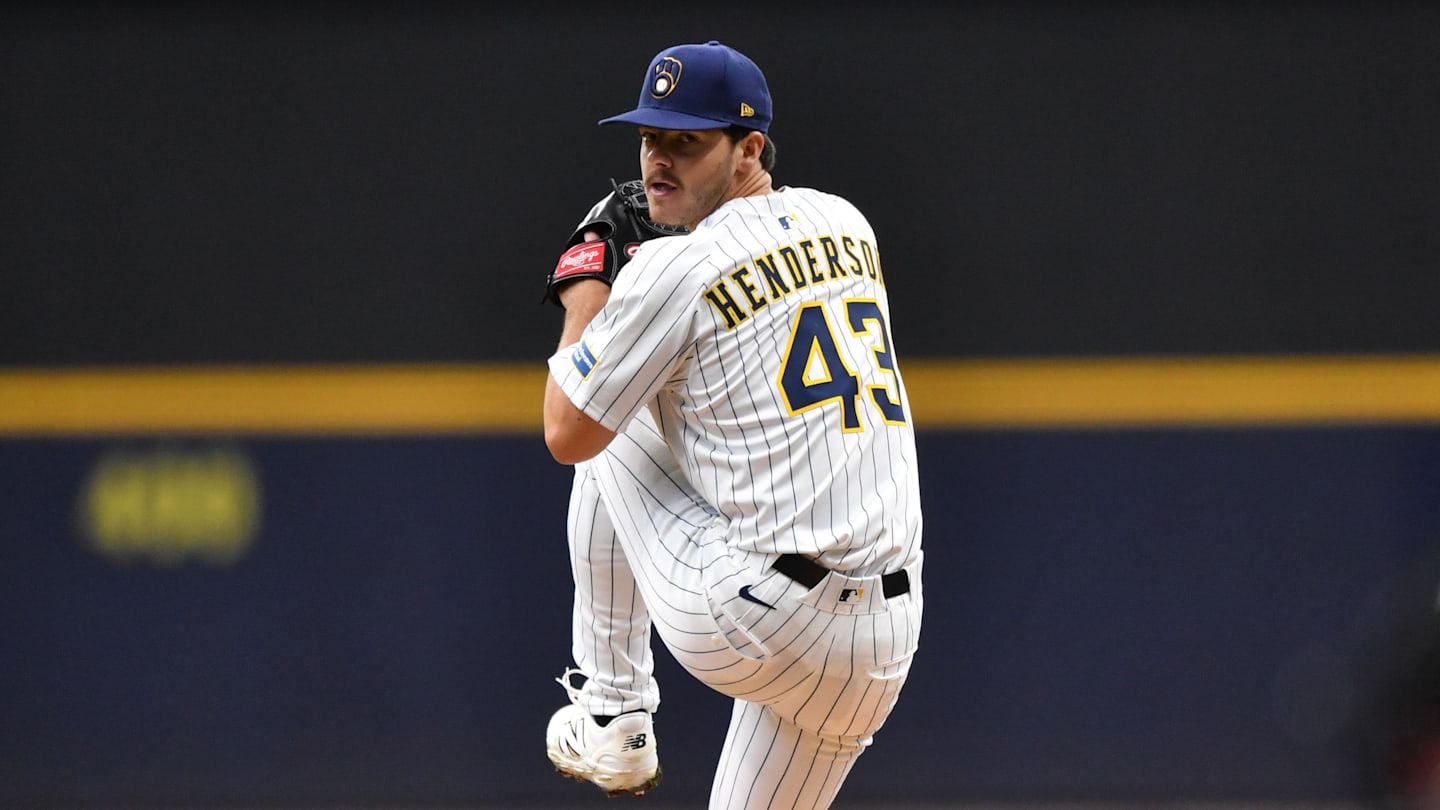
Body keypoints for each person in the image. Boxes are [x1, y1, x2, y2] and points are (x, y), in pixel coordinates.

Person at [541, 40, 924, 810]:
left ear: (749, 147)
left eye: (688, 141)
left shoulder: (670, 269)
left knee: (605, 411)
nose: (659, 159)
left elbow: (566, 432)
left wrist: (588, 285)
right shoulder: (847, 222)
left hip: (756, 620)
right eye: (650, 136)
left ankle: (615, 711)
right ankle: (615, 712)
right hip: (884, 644)